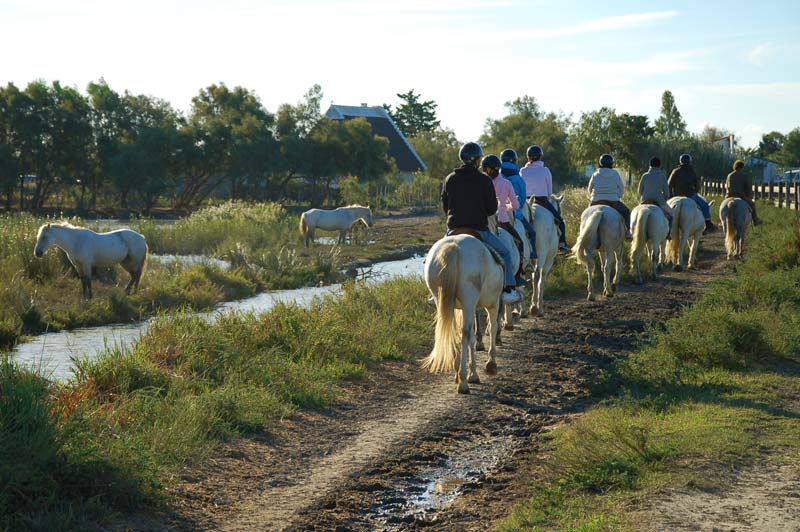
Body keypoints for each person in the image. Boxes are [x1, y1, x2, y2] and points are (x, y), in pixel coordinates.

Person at [436, 142, 522, 305]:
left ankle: (435, 293)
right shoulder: (484, 180)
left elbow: (445, 207)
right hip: (479, 230)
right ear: (476, 160)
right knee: (505, 254)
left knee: (432, 258)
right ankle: (509, 290)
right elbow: (491, 210)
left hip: (453, 229)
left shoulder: (449, 179)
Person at [481, 154, 526, 286]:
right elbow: (516, 205)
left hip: (483, 222)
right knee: (519, 242)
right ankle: (517, 274)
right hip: (503, 221)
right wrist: (505, 207)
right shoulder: (506, 183)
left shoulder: (482, 183)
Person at [519, 145, 571, 252]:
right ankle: (562, 243)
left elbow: (521, 187)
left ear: (528, 157)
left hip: (526, 202)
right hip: (542, 201)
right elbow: (549, 192)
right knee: (560, 221)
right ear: (540, 157)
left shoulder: (522, 171)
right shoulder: (545, 170)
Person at [500, 148, 537, 260]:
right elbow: (521, 200)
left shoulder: (497, 176)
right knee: (531, 232)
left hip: (497, 212)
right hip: (515, 213)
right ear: (514, 161)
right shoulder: (518, 178)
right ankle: (531, 256)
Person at [668, 153, 716, 232]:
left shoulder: (675, 171)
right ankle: (708, 223)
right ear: (690, 162)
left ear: (680, 161)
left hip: (676, 195)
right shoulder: (692, 171)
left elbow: (669, 185)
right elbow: (697, 185)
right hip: (690, 195)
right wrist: (695, 191)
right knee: (705, 205)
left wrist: (671, 196)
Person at [587, 154, 632, 238]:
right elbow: (621, 189)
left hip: (596, 201)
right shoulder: (615, 174)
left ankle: (583, 232)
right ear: (612, 163)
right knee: (626, 212)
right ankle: (627, 231)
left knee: (586, 215)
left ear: (600, 163)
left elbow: (589, 189)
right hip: (613, 201)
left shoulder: (595, 174)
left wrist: (594, 196)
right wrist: (618, 196)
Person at [637, 157, 674, 238]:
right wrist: (664, 199)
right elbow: (666, 192)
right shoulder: (662, 176)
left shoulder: (644, 175)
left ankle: (632, 232)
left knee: (636, 214)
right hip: (659, 201)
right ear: (659, 166)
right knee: (672, 214)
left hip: (644, 201)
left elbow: (639, 191)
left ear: (650, 165)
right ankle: (668, 233)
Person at [726, 159, 762, 225]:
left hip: (729, 196)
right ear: (742, 167)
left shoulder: (729, 175)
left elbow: (727, 187)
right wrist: (749, 197)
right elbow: (748, 187)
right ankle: (755, 220)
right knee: (752, 204)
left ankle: (721, 220)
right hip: (740, 196)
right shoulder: (744, 175)